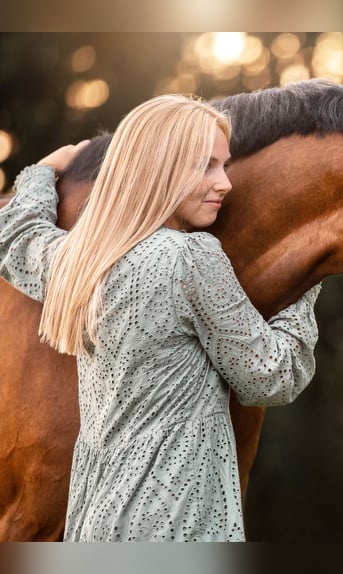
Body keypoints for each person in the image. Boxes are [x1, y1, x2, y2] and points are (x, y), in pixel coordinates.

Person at [0, 94, 321, 541]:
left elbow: (16, 237)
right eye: (205, 166)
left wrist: (40, 172)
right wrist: (304, 281)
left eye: (223, 165)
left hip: (96, 528)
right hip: (173, 527)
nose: (224, 182)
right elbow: (272, 377)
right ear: (156, 170)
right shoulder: (190, 259)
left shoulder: (81, 260)